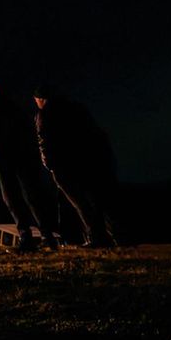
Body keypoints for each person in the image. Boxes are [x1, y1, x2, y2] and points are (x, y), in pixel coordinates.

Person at [34, 86, 120, 247]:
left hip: (63, 164)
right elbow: (94, 131)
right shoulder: (76, 108)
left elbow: (44, 139)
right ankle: (112, 235)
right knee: (94, 199)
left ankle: (95, 236)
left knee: (79, 202)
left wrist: (48, 163)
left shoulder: (45, 114)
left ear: (40, 99)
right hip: (86, 160)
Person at [0, 80, 59, 251]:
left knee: (10, 195)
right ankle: (47, 234)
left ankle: (25, 235)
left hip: (3, 155)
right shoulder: (14, 105)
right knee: (30, 193)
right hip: (23, 154)